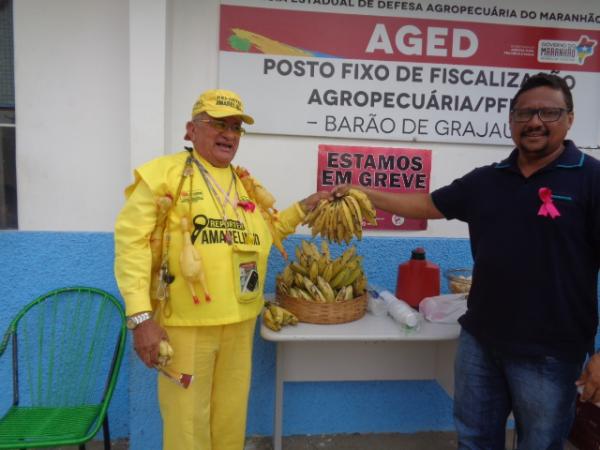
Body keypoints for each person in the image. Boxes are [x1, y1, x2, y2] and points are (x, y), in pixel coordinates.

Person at [334, 73, 600, 449]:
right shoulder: (486, 181)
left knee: (540, 445)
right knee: (474, 440)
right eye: (524, 114)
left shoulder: (591, 180)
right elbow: (427, 204)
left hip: (551, 353)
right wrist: (363, 194)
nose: (535, 122)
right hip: (481, 342)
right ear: (511, 121)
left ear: (569, 119)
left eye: (549, 113)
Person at [114, 89, 328, 450]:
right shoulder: (163, 175)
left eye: (235, 127)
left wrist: (305, 206)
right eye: (217, 124)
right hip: (185, 324)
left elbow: (267, 231)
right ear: (190, 130)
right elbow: (131, 245)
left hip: (240, 320)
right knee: (187, 424)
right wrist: (140, 317)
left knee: (230, 420)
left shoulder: (244, 183)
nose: (228, 134)